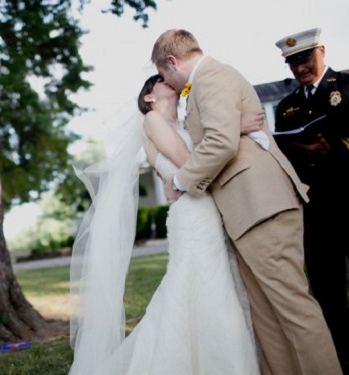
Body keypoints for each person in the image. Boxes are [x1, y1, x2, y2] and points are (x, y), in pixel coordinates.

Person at [151, 28, 341, 375]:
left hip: (262, 205)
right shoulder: (203, 83)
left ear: (172, 62)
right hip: (244, 210)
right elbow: (223, 134)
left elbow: (220, 142)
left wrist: (179, 181)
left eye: (163, 75)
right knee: (265, 314)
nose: (166, 82)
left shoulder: (211, 76)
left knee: (292, 307)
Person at [69, 73, 267, 374]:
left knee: (215, 282)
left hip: (206, 209)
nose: (169, 80)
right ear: (149, 96)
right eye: (160, 80)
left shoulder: (183, 124)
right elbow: (188, 159)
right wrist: (235, 129)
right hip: (191, 214)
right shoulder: (151, 120)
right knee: (199, 283)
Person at [274, 27, 349, 373]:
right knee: (326, 287)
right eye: (292, 63)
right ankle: (341, 355)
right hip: (315, 209)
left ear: (322, 51)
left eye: (304, 58)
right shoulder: (287, 107)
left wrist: (333, 149)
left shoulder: (345, 87)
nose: (299, 67)